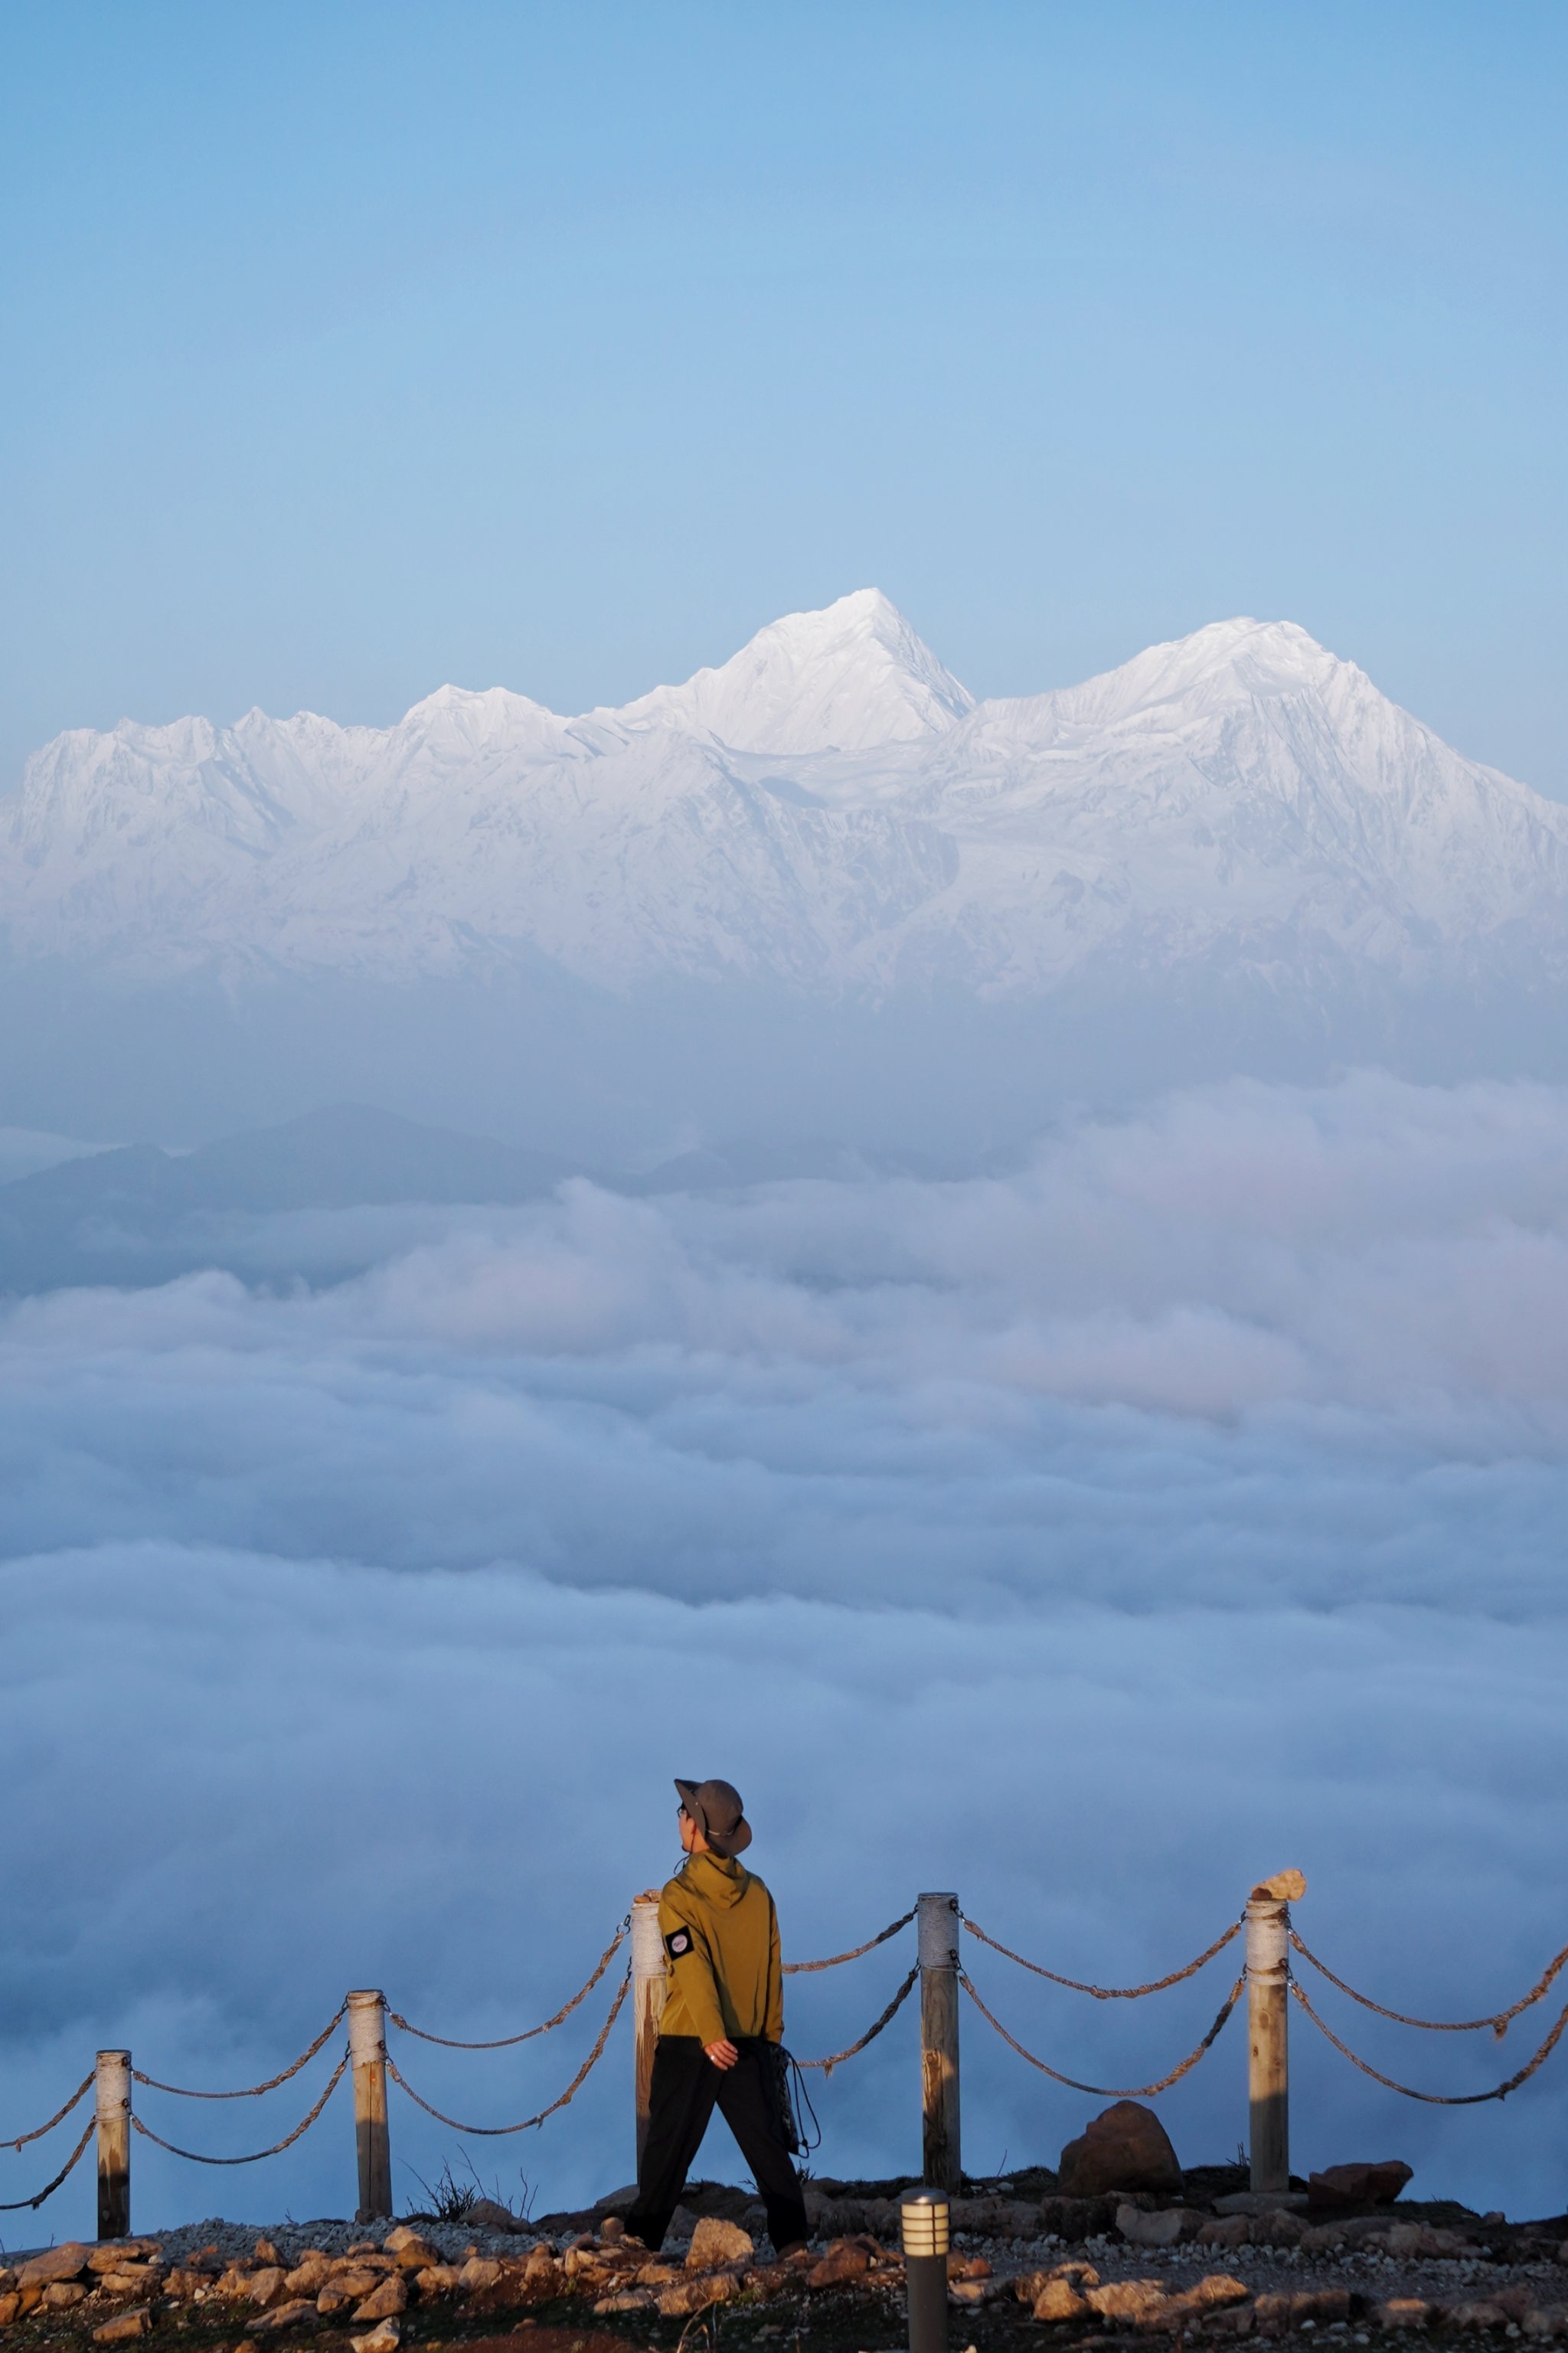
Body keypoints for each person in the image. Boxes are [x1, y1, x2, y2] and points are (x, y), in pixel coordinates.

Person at [624, 1778, 810, 2258]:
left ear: (698, 1830)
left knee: (667, 2150)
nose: (679, 1817)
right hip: (748, 2041)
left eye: (684, 1812)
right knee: (768, 2151)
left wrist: (709, 2034)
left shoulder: (679, 1895)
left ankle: (638, 2247)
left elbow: (692, 1968)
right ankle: (794, 2246)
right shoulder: (758, 1893)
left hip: (693, 2039)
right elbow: (773, 1969)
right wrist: (769, 2039)